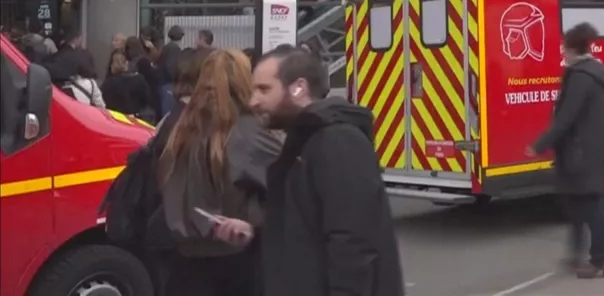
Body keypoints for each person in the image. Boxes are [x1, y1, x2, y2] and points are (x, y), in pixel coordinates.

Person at [217, 46, 403, 296]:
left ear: (298, 87)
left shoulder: (337, 142)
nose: (253, 101)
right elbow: (307, 229)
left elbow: (354, 243)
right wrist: (258, 233)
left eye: (264, 89)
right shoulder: (305, 143)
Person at [154, 49, 279, 296]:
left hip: (181, 261)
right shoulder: (249, 133)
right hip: (236, 263)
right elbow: (290, 188)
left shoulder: (176, 127)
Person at [527, 22, 604, 279]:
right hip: (593, 150)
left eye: (564, 49)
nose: (562, 54)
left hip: (581, 154)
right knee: (576, 205)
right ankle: (578, 255)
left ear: (573, 49)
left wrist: (539, 145)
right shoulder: (598, 71)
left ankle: (601, 260)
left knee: (589, 207)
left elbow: (566, 118)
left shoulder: (581, 77)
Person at [102, 49, 155, 121]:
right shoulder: (139, 79)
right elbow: (147, 99)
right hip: (134, 120)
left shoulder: (107, 83)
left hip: (113, 120)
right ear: (126, 63)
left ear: (111, 65)